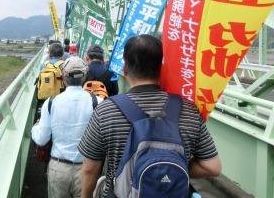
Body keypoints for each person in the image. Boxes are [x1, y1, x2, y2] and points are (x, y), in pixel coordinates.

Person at [78, 34, 221, 197]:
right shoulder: (189, 111)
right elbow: (213, 167)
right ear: (160, 68)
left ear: (125, 69)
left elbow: (89, 169)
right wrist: (167, 169)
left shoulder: (106, 110)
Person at [32, 56, 100, 198]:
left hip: (58, 168)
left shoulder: (51, 103)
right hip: (86, 170)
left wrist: (35, 128)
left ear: (63, 76)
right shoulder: (97, 102)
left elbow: (41, 139)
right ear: (84, 76)